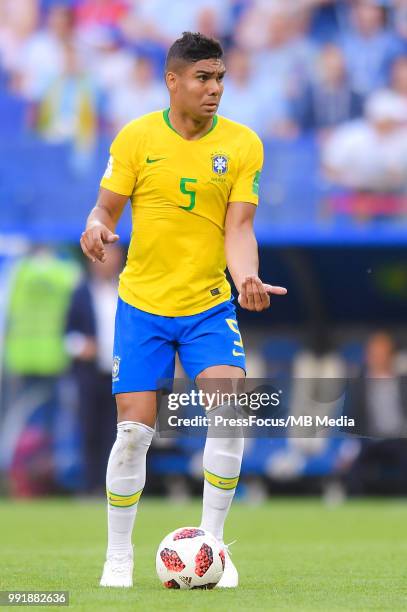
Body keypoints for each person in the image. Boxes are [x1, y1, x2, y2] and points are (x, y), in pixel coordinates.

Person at [80, 31, 287, 589]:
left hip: (207, 306)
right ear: (172, 81)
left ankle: (213, 547)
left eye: (220, 77)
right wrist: (97, 226)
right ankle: (118, 556)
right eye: (203, 78)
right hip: (142, 306)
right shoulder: (137, 138)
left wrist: (246, 275)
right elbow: (105, 209)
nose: (215, 88)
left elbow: (239, 228)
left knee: (228, 413)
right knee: (133, 433)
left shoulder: (244, 144)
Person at [65, 245, 124, 494]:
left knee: (120, 432)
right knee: (90, 429)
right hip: (91, 373)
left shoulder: (127, 291)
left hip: (122, 373)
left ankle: (118, 486)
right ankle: (90, 486)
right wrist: (82, 346)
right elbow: (68, 334)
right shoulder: (80, 293)